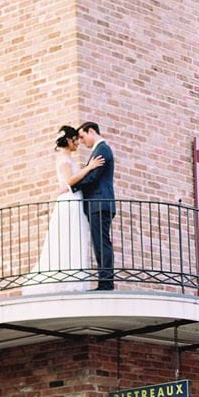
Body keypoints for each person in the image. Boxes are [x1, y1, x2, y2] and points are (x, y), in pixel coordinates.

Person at [23, 126, 105, 294]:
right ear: (68, 140)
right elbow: (69, 180)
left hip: (74, 199)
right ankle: (66, 279)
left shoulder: (68, 158)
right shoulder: (64, 159)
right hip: (69, 201)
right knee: (69, 235)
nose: (78, 144)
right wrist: (89, 167)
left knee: (75, 236)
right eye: (75, 140)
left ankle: (74, 277)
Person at [78, 121, 115, 290]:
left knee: (102, 242)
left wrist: (72, 186)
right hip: (97, 204)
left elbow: (92, 177)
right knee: (99, 242)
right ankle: (104, 281)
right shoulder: (99, 150)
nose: (81, 141)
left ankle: (106, 283)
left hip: (99, 203)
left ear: (91, 131)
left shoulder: (102, 149)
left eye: (82, 136)